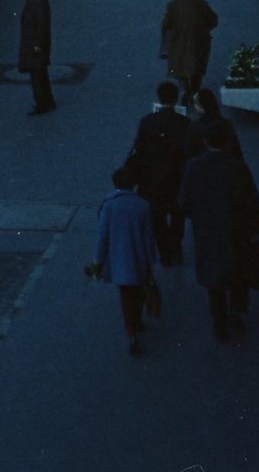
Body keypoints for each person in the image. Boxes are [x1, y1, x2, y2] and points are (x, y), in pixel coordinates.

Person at [178, 120, 259, 341]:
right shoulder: (238, 167)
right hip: (236, 231)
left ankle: (219, 325)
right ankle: (236, 312)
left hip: (207, 230)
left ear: (205, 141)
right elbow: (252, 203)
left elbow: (184, 202)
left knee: (214, 280)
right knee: (238, 273)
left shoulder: (193, 166)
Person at [92, 166, 159, 355]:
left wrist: (98, 260)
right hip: (139, 259)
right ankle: (137, 320)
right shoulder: (143, 205)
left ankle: (131, 332)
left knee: (125, 295)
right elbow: (149, 238)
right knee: (138, 291)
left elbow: (102, 236)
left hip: (119, 260)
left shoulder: (109, 205)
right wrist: (151, 261)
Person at [126, 81, 190, 266]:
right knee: (178, 213)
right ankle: (176, 242)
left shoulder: (147, 121)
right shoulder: (185, 123)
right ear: (176, 98)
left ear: (158, 98)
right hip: (177, 177)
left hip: (152, 178)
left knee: (157, 215)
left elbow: (140, 147)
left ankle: (165, 252)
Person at [161, 0, 219, 105]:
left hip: (178, 43)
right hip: (198, 42)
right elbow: (214, 21)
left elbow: (166, 25)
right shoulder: (202, 4)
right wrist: (204, 29)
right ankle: (195, 94)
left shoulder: (172, 5)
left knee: (179, 69)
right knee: (196, 69)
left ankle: (186, 92)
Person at [18, 0, 54, 115]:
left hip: (35, 45)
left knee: (37, 76)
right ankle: (49, 102)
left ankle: (41, 105)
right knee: (41, 74)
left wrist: (38, 44)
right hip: (34, 43)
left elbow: (42, 24)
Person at [183, 88, 243, 163]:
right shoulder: (226, 123)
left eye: (196, 104)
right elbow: (236, 150)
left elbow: (189, 151)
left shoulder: (195, 126)